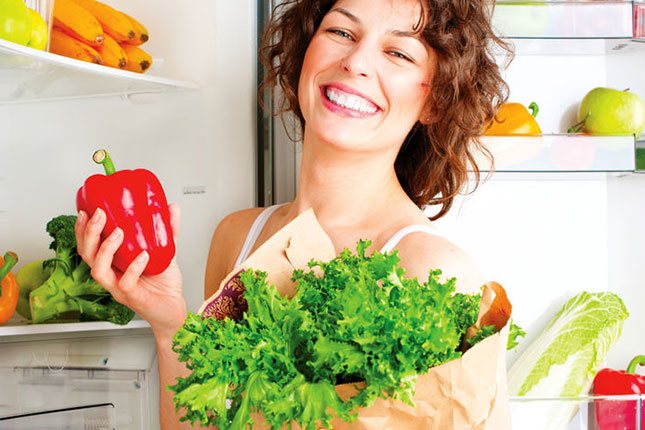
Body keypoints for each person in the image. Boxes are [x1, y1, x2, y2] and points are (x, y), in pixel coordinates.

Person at [74, 0, 511, 428]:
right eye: (340, 32)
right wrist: (170, 327)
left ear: (434, 100)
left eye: (398, 53)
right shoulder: (238, 235)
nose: (355, 61)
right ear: (305, 53)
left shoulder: (431, 268)